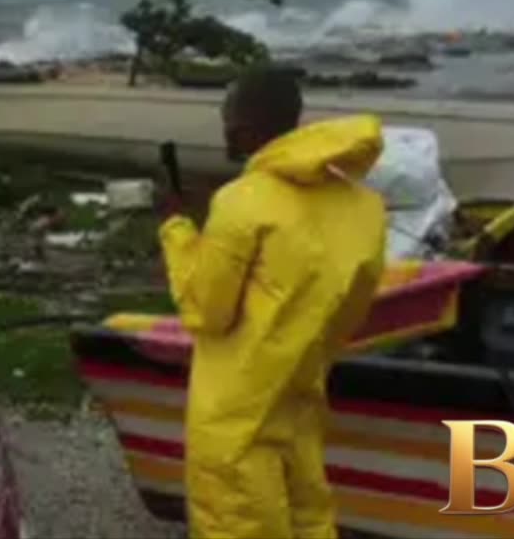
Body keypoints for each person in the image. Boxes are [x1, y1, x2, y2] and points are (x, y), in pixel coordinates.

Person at [158, 66, 387, 539]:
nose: (223, 128)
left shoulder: (242, 202)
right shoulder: (361, 205)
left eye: (226, 117)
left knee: (238, 525)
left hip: (236, 415)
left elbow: (206, 310)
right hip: (300, 393)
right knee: (310, 521)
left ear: (244, 128)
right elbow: (348, 304)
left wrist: (178, 229)